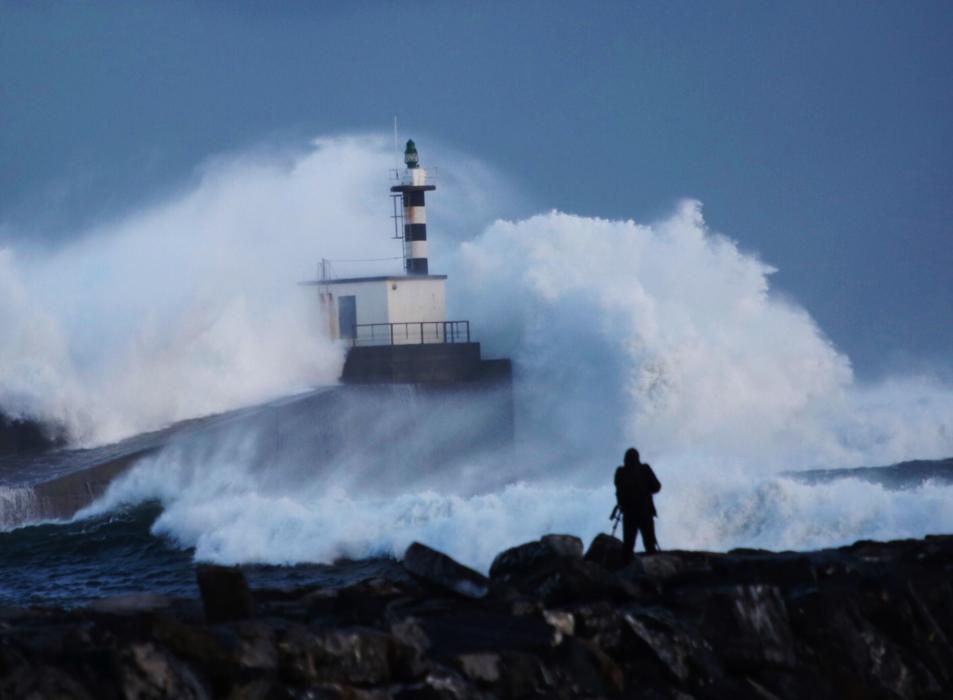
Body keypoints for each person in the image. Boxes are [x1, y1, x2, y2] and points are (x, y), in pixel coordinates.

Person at [614, 447, 661, 561]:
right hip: (645, 511)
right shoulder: (644, 469)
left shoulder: (621, 472)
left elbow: (618, 488)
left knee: (628, 544)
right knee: (649, 542)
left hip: (629, 513)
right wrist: (646, 491)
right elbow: (657, 486)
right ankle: (654, 568)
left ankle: (624, 570)